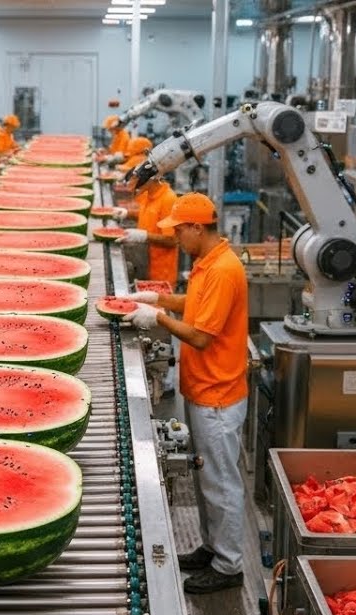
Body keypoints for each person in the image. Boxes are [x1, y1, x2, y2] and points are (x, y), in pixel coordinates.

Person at [120, 193, 248, 594]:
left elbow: (200, 336)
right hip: (203, 388)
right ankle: (213, 548)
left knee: (221, 483)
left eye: (179, 230)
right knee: (206, 477)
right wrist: (157, 299)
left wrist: (155, 318)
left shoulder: (224, 270)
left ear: (196, 227)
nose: (175, 238)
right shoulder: (208, 263)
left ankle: (229, 567)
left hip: (218, 395)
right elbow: (193, 306)